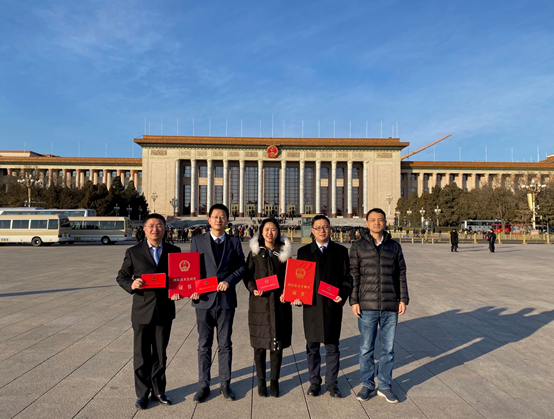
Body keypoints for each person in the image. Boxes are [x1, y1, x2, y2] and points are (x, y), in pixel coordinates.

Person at [116, 214, 181, 410]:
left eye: (159, 225)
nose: (155, 229)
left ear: (165, 228)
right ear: (144, 229)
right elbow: (121, 276)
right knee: (141, 354)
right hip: (142, 310)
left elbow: (180, 278)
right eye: (151, 226)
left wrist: (179, 291)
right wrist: (132, 284)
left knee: (160, 354)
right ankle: (142, 393)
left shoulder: (174, 251)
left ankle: (159, 391)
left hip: (164, 309)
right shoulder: (133, 252)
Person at [350, 208, 409, 404]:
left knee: (388, 349)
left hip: (390, 305)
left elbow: (401, 274)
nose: (377, 223)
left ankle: (384, 385)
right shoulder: (358, 246)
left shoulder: (394, 246)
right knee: (366, 348)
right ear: (366, 223)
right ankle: (367, 384)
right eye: (373, 220)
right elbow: (354, 275)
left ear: (385, 222)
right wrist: (354, 301)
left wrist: (403, 299)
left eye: (380, 220)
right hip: (367, 305)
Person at [188, 204, 245, 403]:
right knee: (204, 345)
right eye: (215, 216)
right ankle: (203, 385)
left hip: (225, 300)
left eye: (222, 217)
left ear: (227, 221)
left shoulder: (234, 241)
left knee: (225, 344)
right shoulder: (198, 241)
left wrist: (229, 281)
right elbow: (191, 269)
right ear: (209, 220)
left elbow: (241, 267)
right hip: (203, 300)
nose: (218, 220)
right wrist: (192, 288)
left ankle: (225, 384)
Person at [296, 215, 352, 398]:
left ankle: (332, 383)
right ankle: (314, 382)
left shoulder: (340, 251)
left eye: (325, 227)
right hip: (311, 307)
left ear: (330, 229)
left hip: (331, 306)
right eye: (318, 227)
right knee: (312, 346)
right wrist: (296, 296)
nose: (322, 230)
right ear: (312, 230)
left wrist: (342, 294)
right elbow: (298, 280)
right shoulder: (304, 252)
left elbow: (347, 278)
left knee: (332, 346)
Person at [243, 218, 293, 398]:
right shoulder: (255, 252)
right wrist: (253, 288)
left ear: (278, 232)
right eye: (267, 229)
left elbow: (292, 276)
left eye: (273, 229)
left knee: (277, 344)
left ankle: (274, 381)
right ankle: (261, 380)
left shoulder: (284, 252)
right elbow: (247, 274)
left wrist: (288, 292)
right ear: (261, 231)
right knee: (259, 345)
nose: (270, 233)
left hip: (280, 303)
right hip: (260, 303)